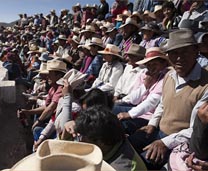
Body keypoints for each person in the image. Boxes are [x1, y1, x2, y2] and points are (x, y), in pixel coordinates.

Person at [129, 29, 208, 170]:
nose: (178, 58)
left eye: (184, 52)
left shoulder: (205, 84)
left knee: (139, 163)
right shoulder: (169, 75)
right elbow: (162, 104)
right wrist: (152, 124)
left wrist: (164, 143)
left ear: (196, 51)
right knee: (126, 146)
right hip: (159, 131)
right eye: (174, 53)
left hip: (179, 143)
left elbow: (195, 130)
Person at [113, 47, 169, 135]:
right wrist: (145, 86)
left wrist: (129, 114)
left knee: (122, 124)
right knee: (111, 108)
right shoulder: (144, 74)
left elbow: (152, 102)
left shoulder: (165, 78)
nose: (151, 68)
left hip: (149, 116)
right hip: (138, 109)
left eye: (155, 64)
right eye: (149, 65)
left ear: (163, 64)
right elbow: (134, 100)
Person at [75, 105, 147, 171]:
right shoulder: (114, 139)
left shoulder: (118, 168)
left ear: (101, 142)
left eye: (82, 136)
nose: (80, 141)